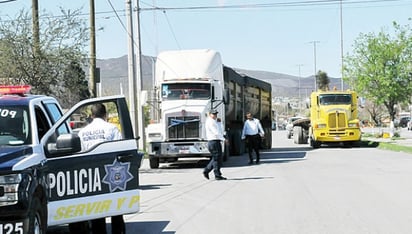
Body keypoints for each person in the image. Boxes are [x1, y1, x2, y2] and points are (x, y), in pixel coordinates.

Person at [71, 103, 125, 234]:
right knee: (116, 209)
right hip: (111, 173)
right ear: (105, 115)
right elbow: (120, 150)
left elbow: (80, 155)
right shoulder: (112, 129)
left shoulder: (83, 132)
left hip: (91, 175)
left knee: (96, 211)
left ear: (91, 116)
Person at [203, 109, 227, 180]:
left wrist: (220, 123)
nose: (215, 115)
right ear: (210, 114)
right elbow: (216, 132)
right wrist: (224, 139)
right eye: (213, 114)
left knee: (217, 158)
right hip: (213, 141)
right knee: (216, 159)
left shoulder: (215, 121)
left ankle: (210, 171)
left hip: (216, 141)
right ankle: (215, 174)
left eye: (216, 114)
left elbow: (220, 131)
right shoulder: (210, 122)